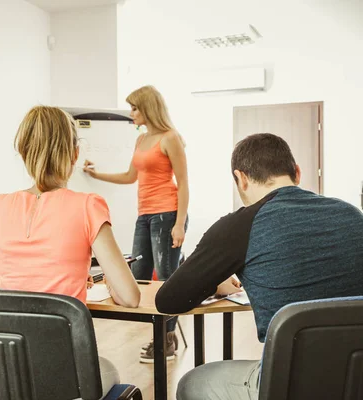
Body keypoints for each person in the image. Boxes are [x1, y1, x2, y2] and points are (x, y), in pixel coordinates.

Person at [155, 133, 363, 400]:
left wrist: (214, 284)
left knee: (191, 382)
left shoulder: (238, 226)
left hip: (288, 384)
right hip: (355, 377)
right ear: (297, 173)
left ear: (240, 178)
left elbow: (169, 300)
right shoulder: (352, 215)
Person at [0, 106, 141, 398]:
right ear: (75, 155)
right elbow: (129, 296)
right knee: (110, 374)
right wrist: (105, 283)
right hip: (62, 371)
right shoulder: (88, 205)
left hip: (5, 370)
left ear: (24, 153)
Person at [83, 85, 188, 361]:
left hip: (167, 214)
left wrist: (179, 224)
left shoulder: (170, 138)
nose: (131, 113)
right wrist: (96, 176)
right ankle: (160, 335)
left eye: (134, 108)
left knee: (166, 278)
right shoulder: (141, 140)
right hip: (145, 216)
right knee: (138, 274)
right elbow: (131, 176)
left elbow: (184, 183)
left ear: (147, 108)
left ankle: (166, 339)